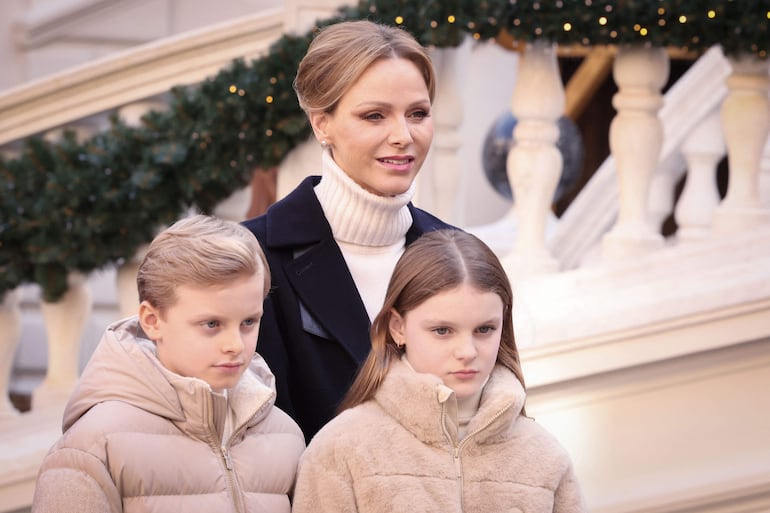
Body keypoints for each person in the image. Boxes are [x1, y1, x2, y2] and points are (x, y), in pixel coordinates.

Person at [242, 19, 455, 441]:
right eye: (374, 116)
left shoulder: (459, 253)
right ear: (322, 124)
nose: (403, 136)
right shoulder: (254, 254)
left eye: (418, 113)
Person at [292, 229, 587, 513]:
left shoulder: (545, 457)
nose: (467, 352)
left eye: (485, 329)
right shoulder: (341, 451)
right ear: (398, 327)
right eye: (442, 330)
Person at [32, 215, 305, 513]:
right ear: (152, 321)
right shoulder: (92, 449)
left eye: (249, 322)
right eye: (211, 323)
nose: (235, 345)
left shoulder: (285, 437)